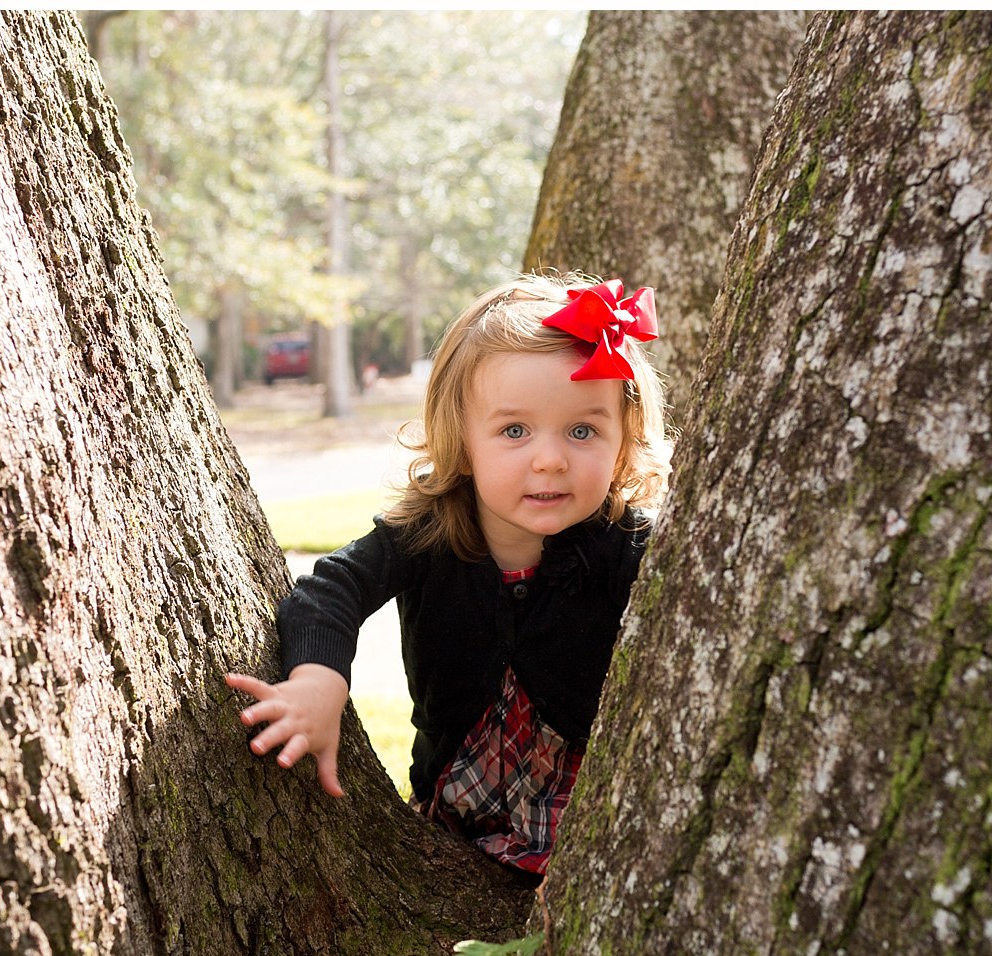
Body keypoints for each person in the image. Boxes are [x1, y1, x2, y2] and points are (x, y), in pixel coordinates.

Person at [225, 273, 669, 876]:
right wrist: (318, 680)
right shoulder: (428, 535)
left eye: (583, 430)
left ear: (622, 443)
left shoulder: (631, 547)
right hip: (455, 816)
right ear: (462, 440)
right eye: (515, 430)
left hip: (584, 820)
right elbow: (333, 587)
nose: (550, 458)